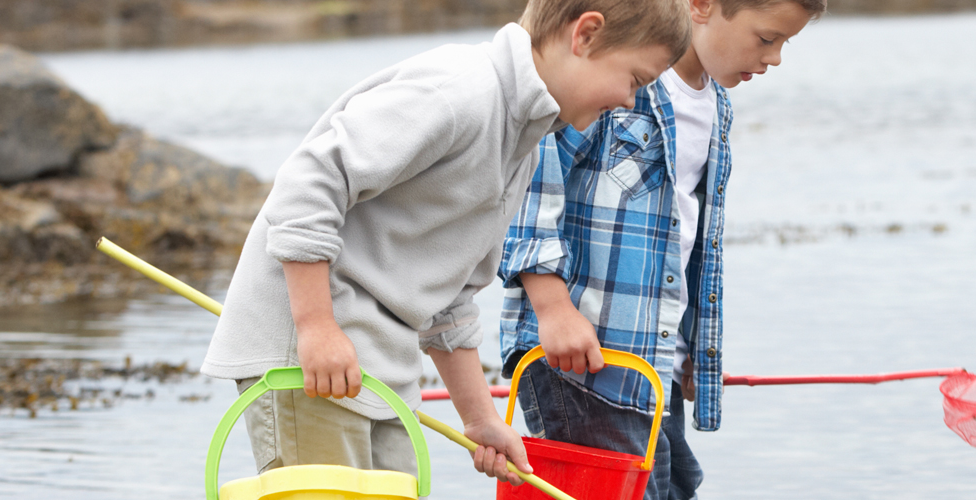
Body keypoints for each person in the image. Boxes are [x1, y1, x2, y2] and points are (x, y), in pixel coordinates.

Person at [200, 0, 691, 485]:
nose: (630, 101)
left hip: (381, 366)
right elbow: (308, 184)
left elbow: (449, 300)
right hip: (310, 354)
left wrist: (480, 420)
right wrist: (315, 326)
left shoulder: (525, 146)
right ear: (584, 35)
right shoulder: (460, 92)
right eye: (634, 80)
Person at [497, 0, 823, 495]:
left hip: (652, 365)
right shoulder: (614, 83)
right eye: (766, 38)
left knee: (675, 484)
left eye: (783, 43)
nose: (774, 58)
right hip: (584, 359)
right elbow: (529, 181)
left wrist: (693, 348)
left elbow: (686, 241)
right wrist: (553, 307)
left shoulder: (716, 105)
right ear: (702, 6)